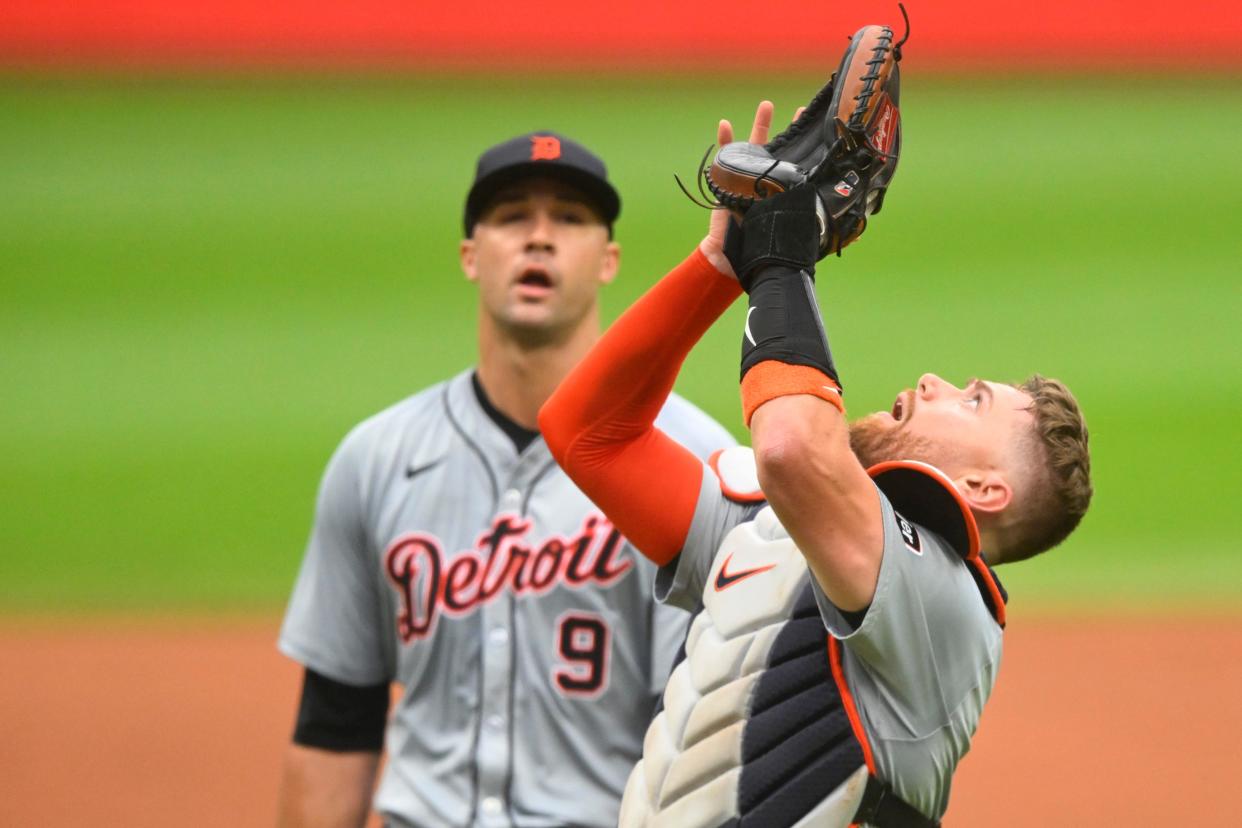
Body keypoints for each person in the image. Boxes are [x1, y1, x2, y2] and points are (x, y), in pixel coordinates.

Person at [539, 104, 1093, 826]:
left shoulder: (945, 609)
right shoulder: (774, 532)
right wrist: (722, 264)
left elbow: (794, 448)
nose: (935, 382)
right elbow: (588, 435)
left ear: (985, 489)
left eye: (973, 400)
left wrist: (782, 260)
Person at [276, 131, 735, 828]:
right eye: (513, 216)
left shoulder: (694, 460)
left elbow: (704, 743)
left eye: (571, 219)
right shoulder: (375, 459)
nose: (539, 239)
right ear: (471, 255)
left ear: (608, 260)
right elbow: (337, 720)